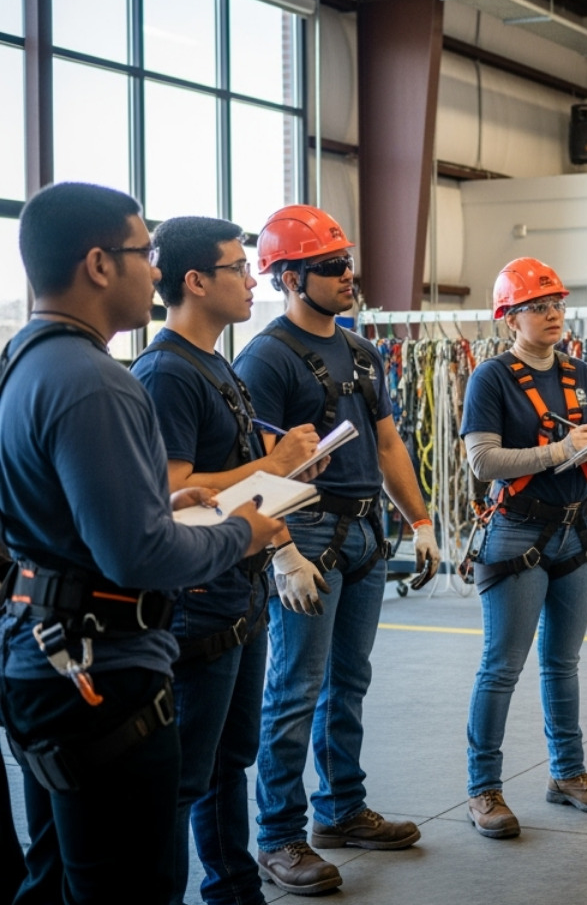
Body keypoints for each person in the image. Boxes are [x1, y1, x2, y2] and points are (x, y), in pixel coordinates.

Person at [0, 182, 282, 905]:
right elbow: (140, 557)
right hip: (105, 679)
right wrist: (238, 532)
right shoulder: (98, 381)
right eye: (140, 253)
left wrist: (158, 500)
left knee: (62, 875)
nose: (152, 271)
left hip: (50, 657)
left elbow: (63, 519)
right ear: (99, 264)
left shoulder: (26, 361)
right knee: (131, 884)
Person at [233, 204, 441, 895]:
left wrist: (421, 520)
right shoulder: (264, 360)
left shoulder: (358, 349)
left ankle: (341, 810)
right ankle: (280, 837)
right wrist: (283, 553)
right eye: (331, 266)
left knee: (348, 684)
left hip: (364, 533)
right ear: (290, 278)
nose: (348, 274)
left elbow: (385, 442)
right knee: (295, 689)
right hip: (309, 536)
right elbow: (257, 471)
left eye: (347, 262)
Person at [131, 215, 333, 905]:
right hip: (200, 600)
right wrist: (270, 464)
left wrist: (283, 484)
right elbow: (169, 487)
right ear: (194, 281)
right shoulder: (165, 372)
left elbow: (236, 476)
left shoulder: (215, 363)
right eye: (237, 269)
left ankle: (233, 888)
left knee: (229, 760)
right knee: (189, 772)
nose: (254, 281)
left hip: (240, 590)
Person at [458, 257, 587, 839]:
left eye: (556, 303)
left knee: (563, 664)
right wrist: (556, 453)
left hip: (577, 533)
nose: (552, 314)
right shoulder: (491, 378)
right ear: (510, 318)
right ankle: (483, 790)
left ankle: (568, 774)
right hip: (519, 534)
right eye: (537, 306)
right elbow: (482, 461)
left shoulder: (579, 372)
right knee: (502, 667)